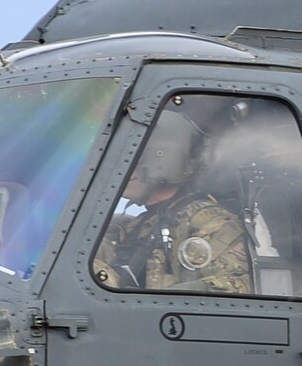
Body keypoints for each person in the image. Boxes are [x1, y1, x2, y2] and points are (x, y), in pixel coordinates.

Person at [92, 109, 252, 294]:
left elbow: (237, 285)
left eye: (132, 161)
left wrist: (167, 296)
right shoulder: (141, 226)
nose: (123, 171)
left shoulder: (209, 224)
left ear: (160, 161)